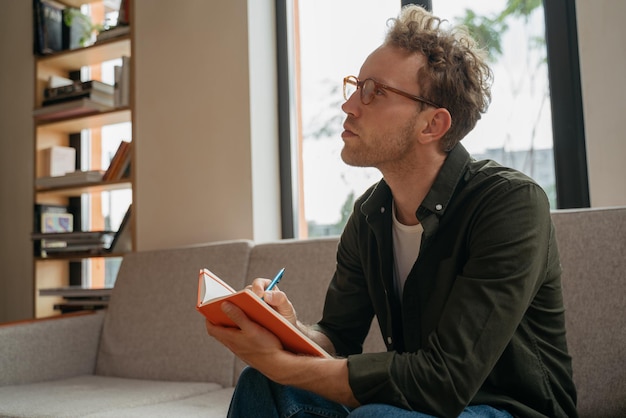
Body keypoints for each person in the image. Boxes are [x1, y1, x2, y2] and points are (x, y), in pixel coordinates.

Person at [205, 5, 577, 417]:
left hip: (509, 408)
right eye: (356, 86)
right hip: (416, 403)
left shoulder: (511, 204)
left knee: (374, 416)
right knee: (262, 385)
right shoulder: (370, 214)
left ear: (432, 125)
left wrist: (284, 365)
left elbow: (444, 380)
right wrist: (290, 331)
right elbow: (337, 335)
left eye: (374, 91)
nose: (349, 105)